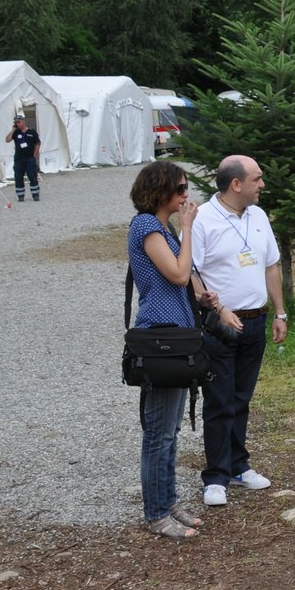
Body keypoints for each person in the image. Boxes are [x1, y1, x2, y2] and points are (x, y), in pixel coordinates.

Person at [192, 155, 285, 507]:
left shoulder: (258, 216)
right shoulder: (203, 219)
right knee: (219, 399)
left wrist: (280, 312)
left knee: (241, 397)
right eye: (257, 179)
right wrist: (217, 308)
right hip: (219, 325)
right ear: (236, 184)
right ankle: (215, 476)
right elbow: (192, 271)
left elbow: (270, 265)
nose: (262, 185)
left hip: (256, 320)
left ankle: (238, 466)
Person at [127, 160, 206, 539]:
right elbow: (176, 273)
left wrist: (204, 296)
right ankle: (156, 514)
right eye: (180, 189)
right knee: (158, 431)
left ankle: (168, 501)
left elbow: (183, 277)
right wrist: (188, 229)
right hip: (160, 336)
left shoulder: (163, 227)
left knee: (171, 429)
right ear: (160, 191)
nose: (185, 195)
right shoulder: (146, 226)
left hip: (176, 332)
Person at [5, 113, 42, 202]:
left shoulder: (32, 132)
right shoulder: (16, 132)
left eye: (19, 122)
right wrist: (12, 130)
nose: (18, 124)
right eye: (16, 123)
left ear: (23, 121)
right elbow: (7, 140)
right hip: (19, 159)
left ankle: (35, 194)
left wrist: (35, 155)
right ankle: (20, 196)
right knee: (18, 177)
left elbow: (37, 143)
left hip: (30, 158)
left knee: (32, 176)